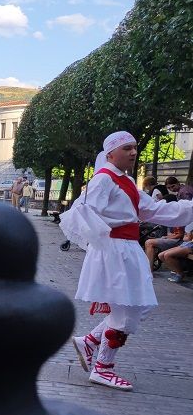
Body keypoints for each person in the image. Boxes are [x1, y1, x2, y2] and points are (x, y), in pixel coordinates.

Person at [60, 131, 193, 391]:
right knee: (127, 310)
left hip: (126, 250)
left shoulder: (126, 181)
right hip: (116, 251)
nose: (133, 152)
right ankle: (102, 368)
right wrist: (101, 244)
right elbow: (82, 212)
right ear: (110, 153)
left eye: (134, 147)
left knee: (137, 306)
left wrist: (188, 207)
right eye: (126, 148)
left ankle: (90, 341)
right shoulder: (103, 180)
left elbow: (154, 210)